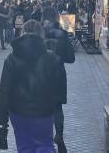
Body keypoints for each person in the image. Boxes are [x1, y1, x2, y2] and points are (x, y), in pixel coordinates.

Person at [0, 20, 67, 153]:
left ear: (22, 34)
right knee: (45, 144)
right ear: (41, 35)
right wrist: (59, 130)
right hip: (44, 112)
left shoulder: (11, 59)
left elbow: (4, 92)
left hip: (18, 112)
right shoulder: (53, 60)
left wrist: (3, 122)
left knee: (24, 146)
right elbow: (60, 97)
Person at [42, 8, 75, 153]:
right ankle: (59, 134)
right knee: (57, 108)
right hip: (58, 75)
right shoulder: (63, 33)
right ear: (57, 18)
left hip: (41, 75)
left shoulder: (39, 34)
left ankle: (45, 138)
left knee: (42, 108)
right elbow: (71, 58)